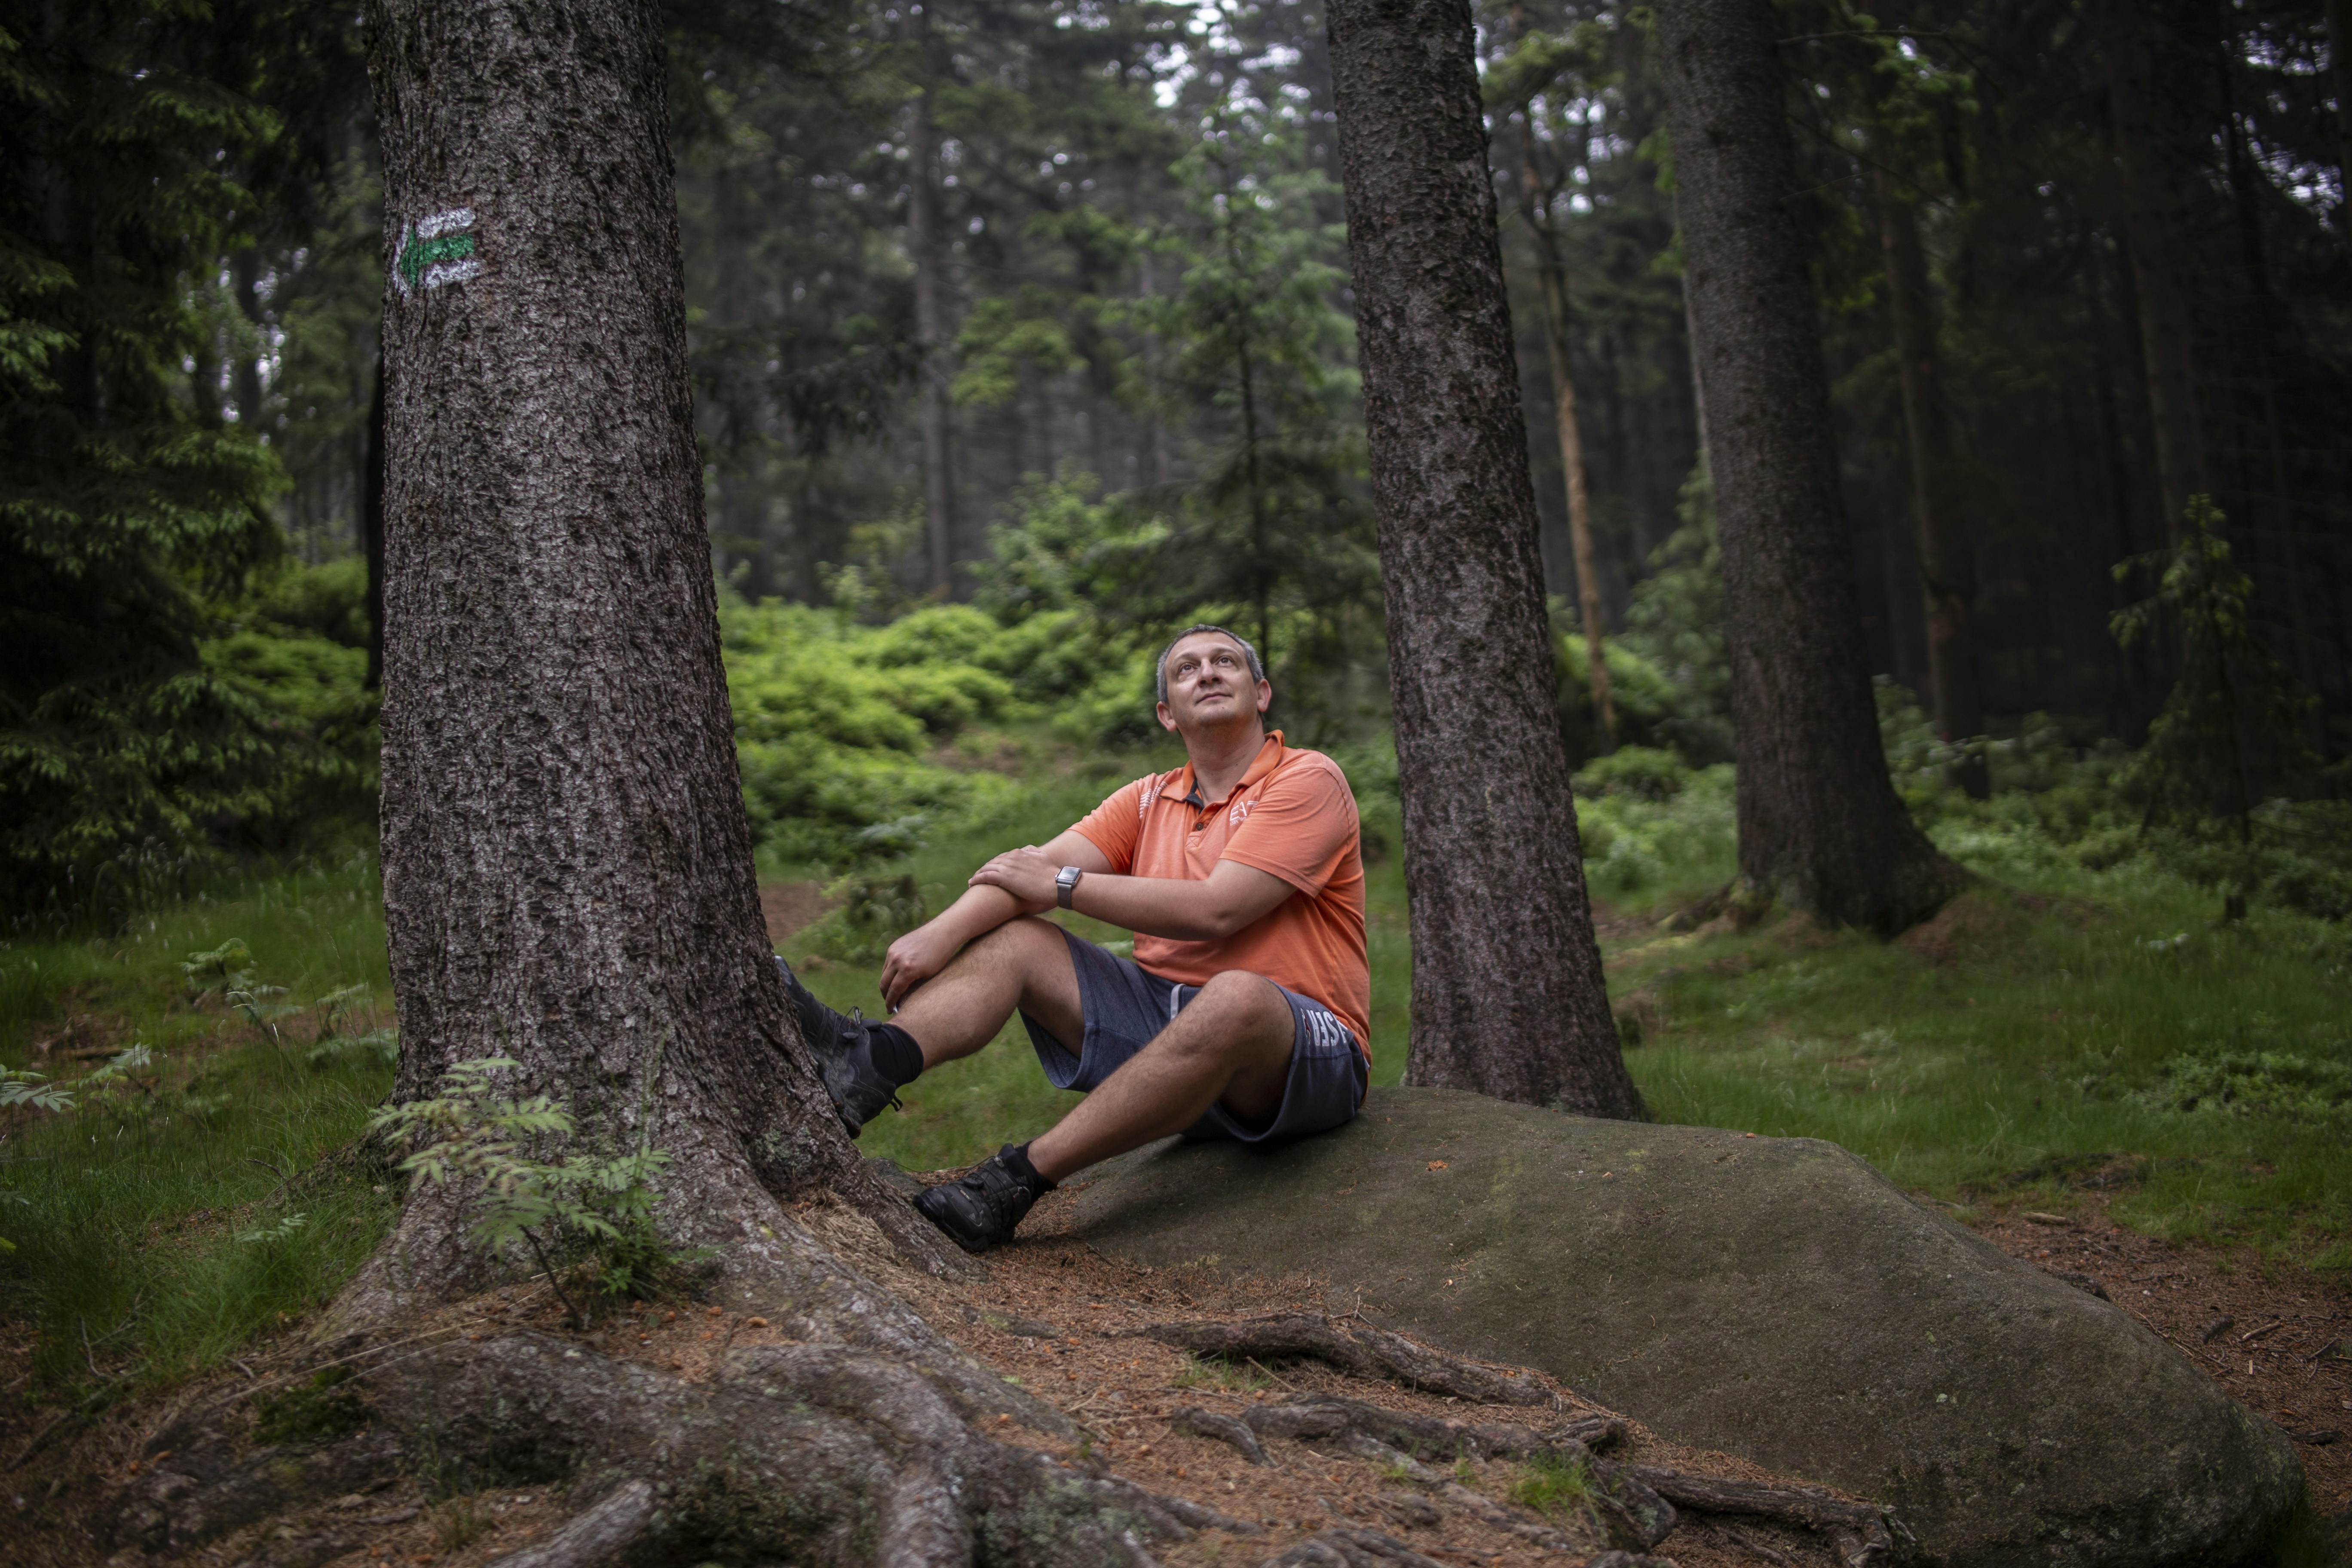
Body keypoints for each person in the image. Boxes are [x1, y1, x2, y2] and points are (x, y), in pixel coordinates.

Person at [777, 624, 1370, 1253]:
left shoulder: (1307, 780)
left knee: (1236, 997)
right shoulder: (1147, 800)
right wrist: (939, 932)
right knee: (1021, 941)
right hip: (1171, 1027)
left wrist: (1062, 883)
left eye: (1226, 661)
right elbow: (1025, 871)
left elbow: (1218, 910)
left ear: (1262, 692)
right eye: (1187, 667)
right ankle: (866, 1062)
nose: (1209, 672)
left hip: (1303, 1046)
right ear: (1168, 714)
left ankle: (1016, 1181)